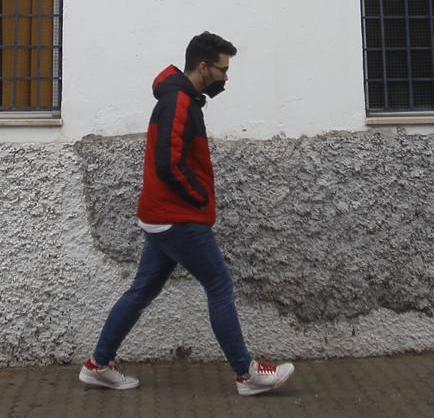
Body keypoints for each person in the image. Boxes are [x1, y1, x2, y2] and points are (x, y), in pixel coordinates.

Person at [79, 32, 295, 397]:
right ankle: (247, 374)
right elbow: (168, 162)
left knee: (141, 291)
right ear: (203, 66)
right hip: (177, 216)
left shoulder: (182, 99)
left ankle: (98, 365)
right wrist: (198, 197)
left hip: (162, 215)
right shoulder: (178, 102)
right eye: (222, 70)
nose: (226, 78)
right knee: (219, 285)